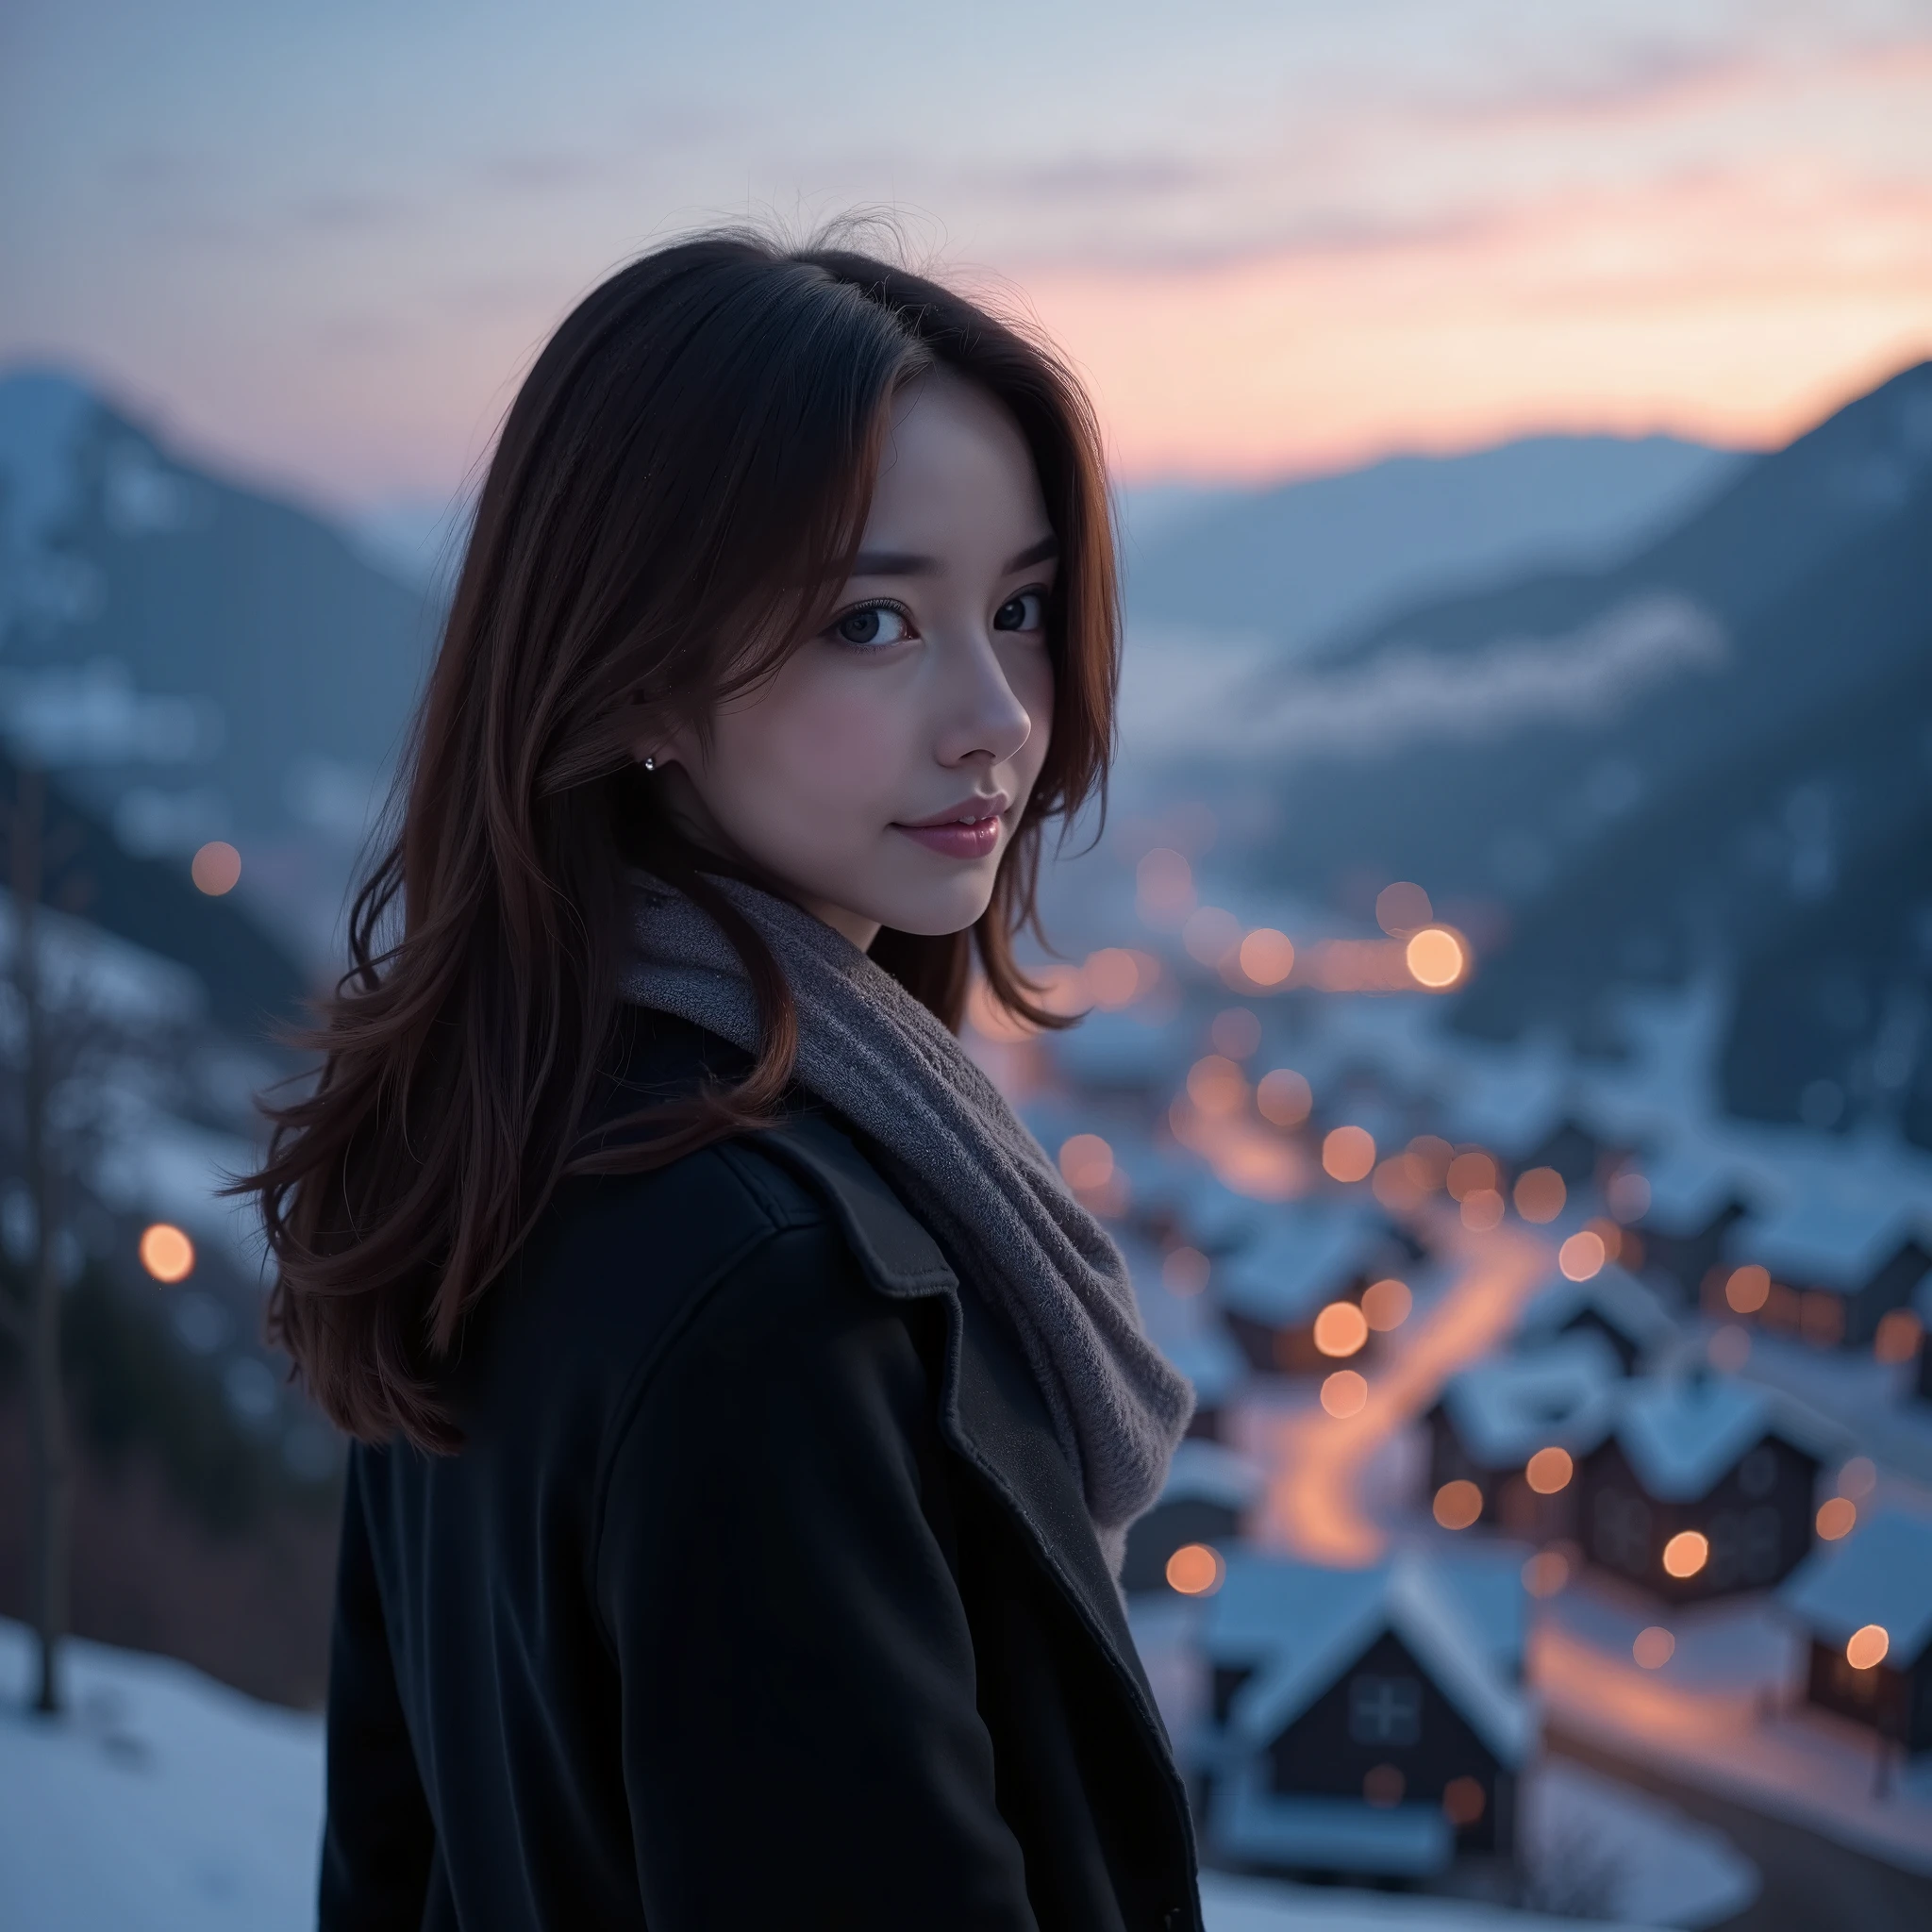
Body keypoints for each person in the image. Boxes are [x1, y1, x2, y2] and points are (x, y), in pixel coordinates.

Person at [244, 231, 1200, 1930]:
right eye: (873, 620)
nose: (997, 715)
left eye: (1023, 609)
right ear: (640, 676)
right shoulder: (772, 1301)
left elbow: (394, 1863)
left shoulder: (492, 1140)